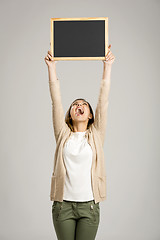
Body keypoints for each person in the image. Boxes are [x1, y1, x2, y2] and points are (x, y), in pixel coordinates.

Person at [44, 45, 115, 240]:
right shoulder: (62, 135)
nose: (79, 106)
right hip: (63, 206)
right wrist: (51, 68)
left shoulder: (96, 135)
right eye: (75, 104)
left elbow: (103, 101)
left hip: (89, 206)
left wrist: (107, 66)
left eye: (84, 104)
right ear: (70, 114)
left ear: (90, 115)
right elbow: (56, 101)